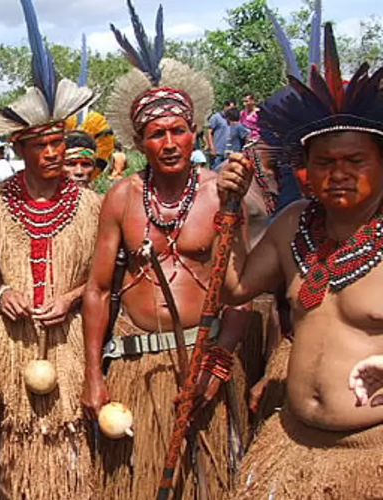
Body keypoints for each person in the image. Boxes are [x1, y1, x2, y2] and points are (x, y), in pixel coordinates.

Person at [81, 3, 252, 498]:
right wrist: (95, 375)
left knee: (207, 484)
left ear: (195, 133)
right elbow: (97, 289)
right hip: (137, 368)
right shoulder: (121, 197)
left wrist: (217, 366)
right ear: (140, 141)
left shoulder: (223, 192)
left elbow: (242, 289)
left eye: (179, 130)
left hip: (203, 361)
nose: (171, 142)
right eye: (158, 134)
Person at [217, 21, 383, 499]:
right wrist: (230, 213)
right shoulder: (293, 223)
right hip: (292, 447)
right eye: (326, 163)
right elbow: (235, 289)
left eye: (356, 161)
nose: (339, 175)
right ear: (306, 170)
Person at [0, 1, 99, 498]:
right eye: (41, 144)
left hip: (70, 340)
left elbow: (111, 275)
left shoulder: (92, 205)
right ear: (19, 148)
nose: (54, 153)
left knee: (68, 441)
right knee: (5, 436)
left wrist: (73, 296)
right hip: (6, 340)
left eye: (59, 142)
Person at [64, 111, 115, 189]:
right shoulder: (42, 200)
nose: (79, 172)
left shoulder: (104, 200)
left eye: (86, 164)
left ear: (94, 167)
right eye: (71, 164)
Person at [206, 99, 236, 169]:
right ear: (225, 106)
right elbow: (209, 132)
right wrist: (212, 147)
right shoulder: (216, 117)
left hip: (228, 153)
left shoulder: (233, 118)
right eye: (230, 108)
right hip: (218, 152)